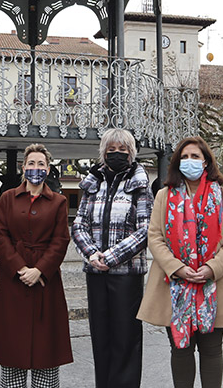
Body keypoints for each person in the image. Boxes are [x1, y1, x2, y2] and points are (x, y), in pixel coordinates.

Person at [137, 136, 223, 388]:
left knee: (212, 350)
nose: (189, 161)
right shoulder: (164, 196)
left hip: (215, 284)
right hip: (174, 284)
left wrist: (212, 268)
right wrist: (177, 268)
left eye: (195, 156)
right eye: (184, 157)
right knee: (180, 349)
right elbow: (155, 237)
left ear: (206, 162)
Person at [71, 128, 154, 387]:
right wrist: (91, 254)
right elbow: (79, 224)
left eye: (123, 150)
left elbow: (146, 229)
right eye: (111, 150)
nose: (117, 154)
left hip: (126, 274)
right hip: (96, 272)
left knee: (126, 338)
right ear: (103, 152)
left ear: (131, 153)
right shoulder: (92, 184)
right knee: (101, 337)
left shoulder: (140, 185)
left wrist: (111, 257)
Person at [0, 143, 73, 387]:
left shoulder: (58, 201)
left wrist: (40, 270)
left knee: (47, 356)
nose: (36, 168)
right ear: (23, 167)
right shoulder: (7, 198)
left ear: (48, 169)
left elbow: (61, 240)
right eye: (31, 163)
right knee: (12, 354)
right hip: (12, 281)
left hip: (46, 283)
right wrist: (19, 267)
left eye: (41, 164)